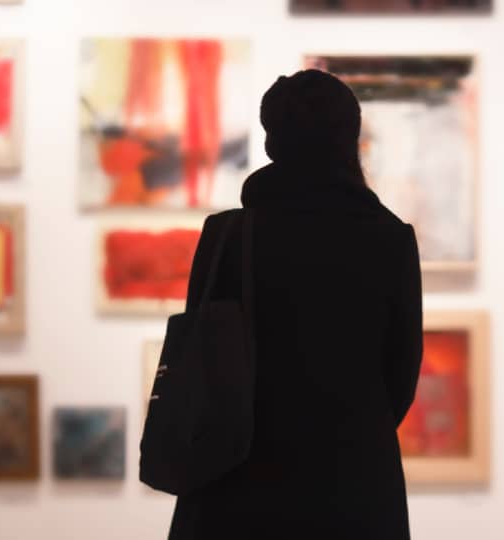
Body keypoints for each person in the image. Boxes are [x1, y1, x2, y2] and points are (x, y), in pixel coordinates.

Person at [168, 69, 423, 540]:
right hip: (355, 489)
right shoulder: (390, 240)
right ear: (350, 140)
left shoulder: (228, 236)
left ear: (272, 143)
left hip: (234, 483)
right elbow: (400, 378)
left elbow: (199, 359)